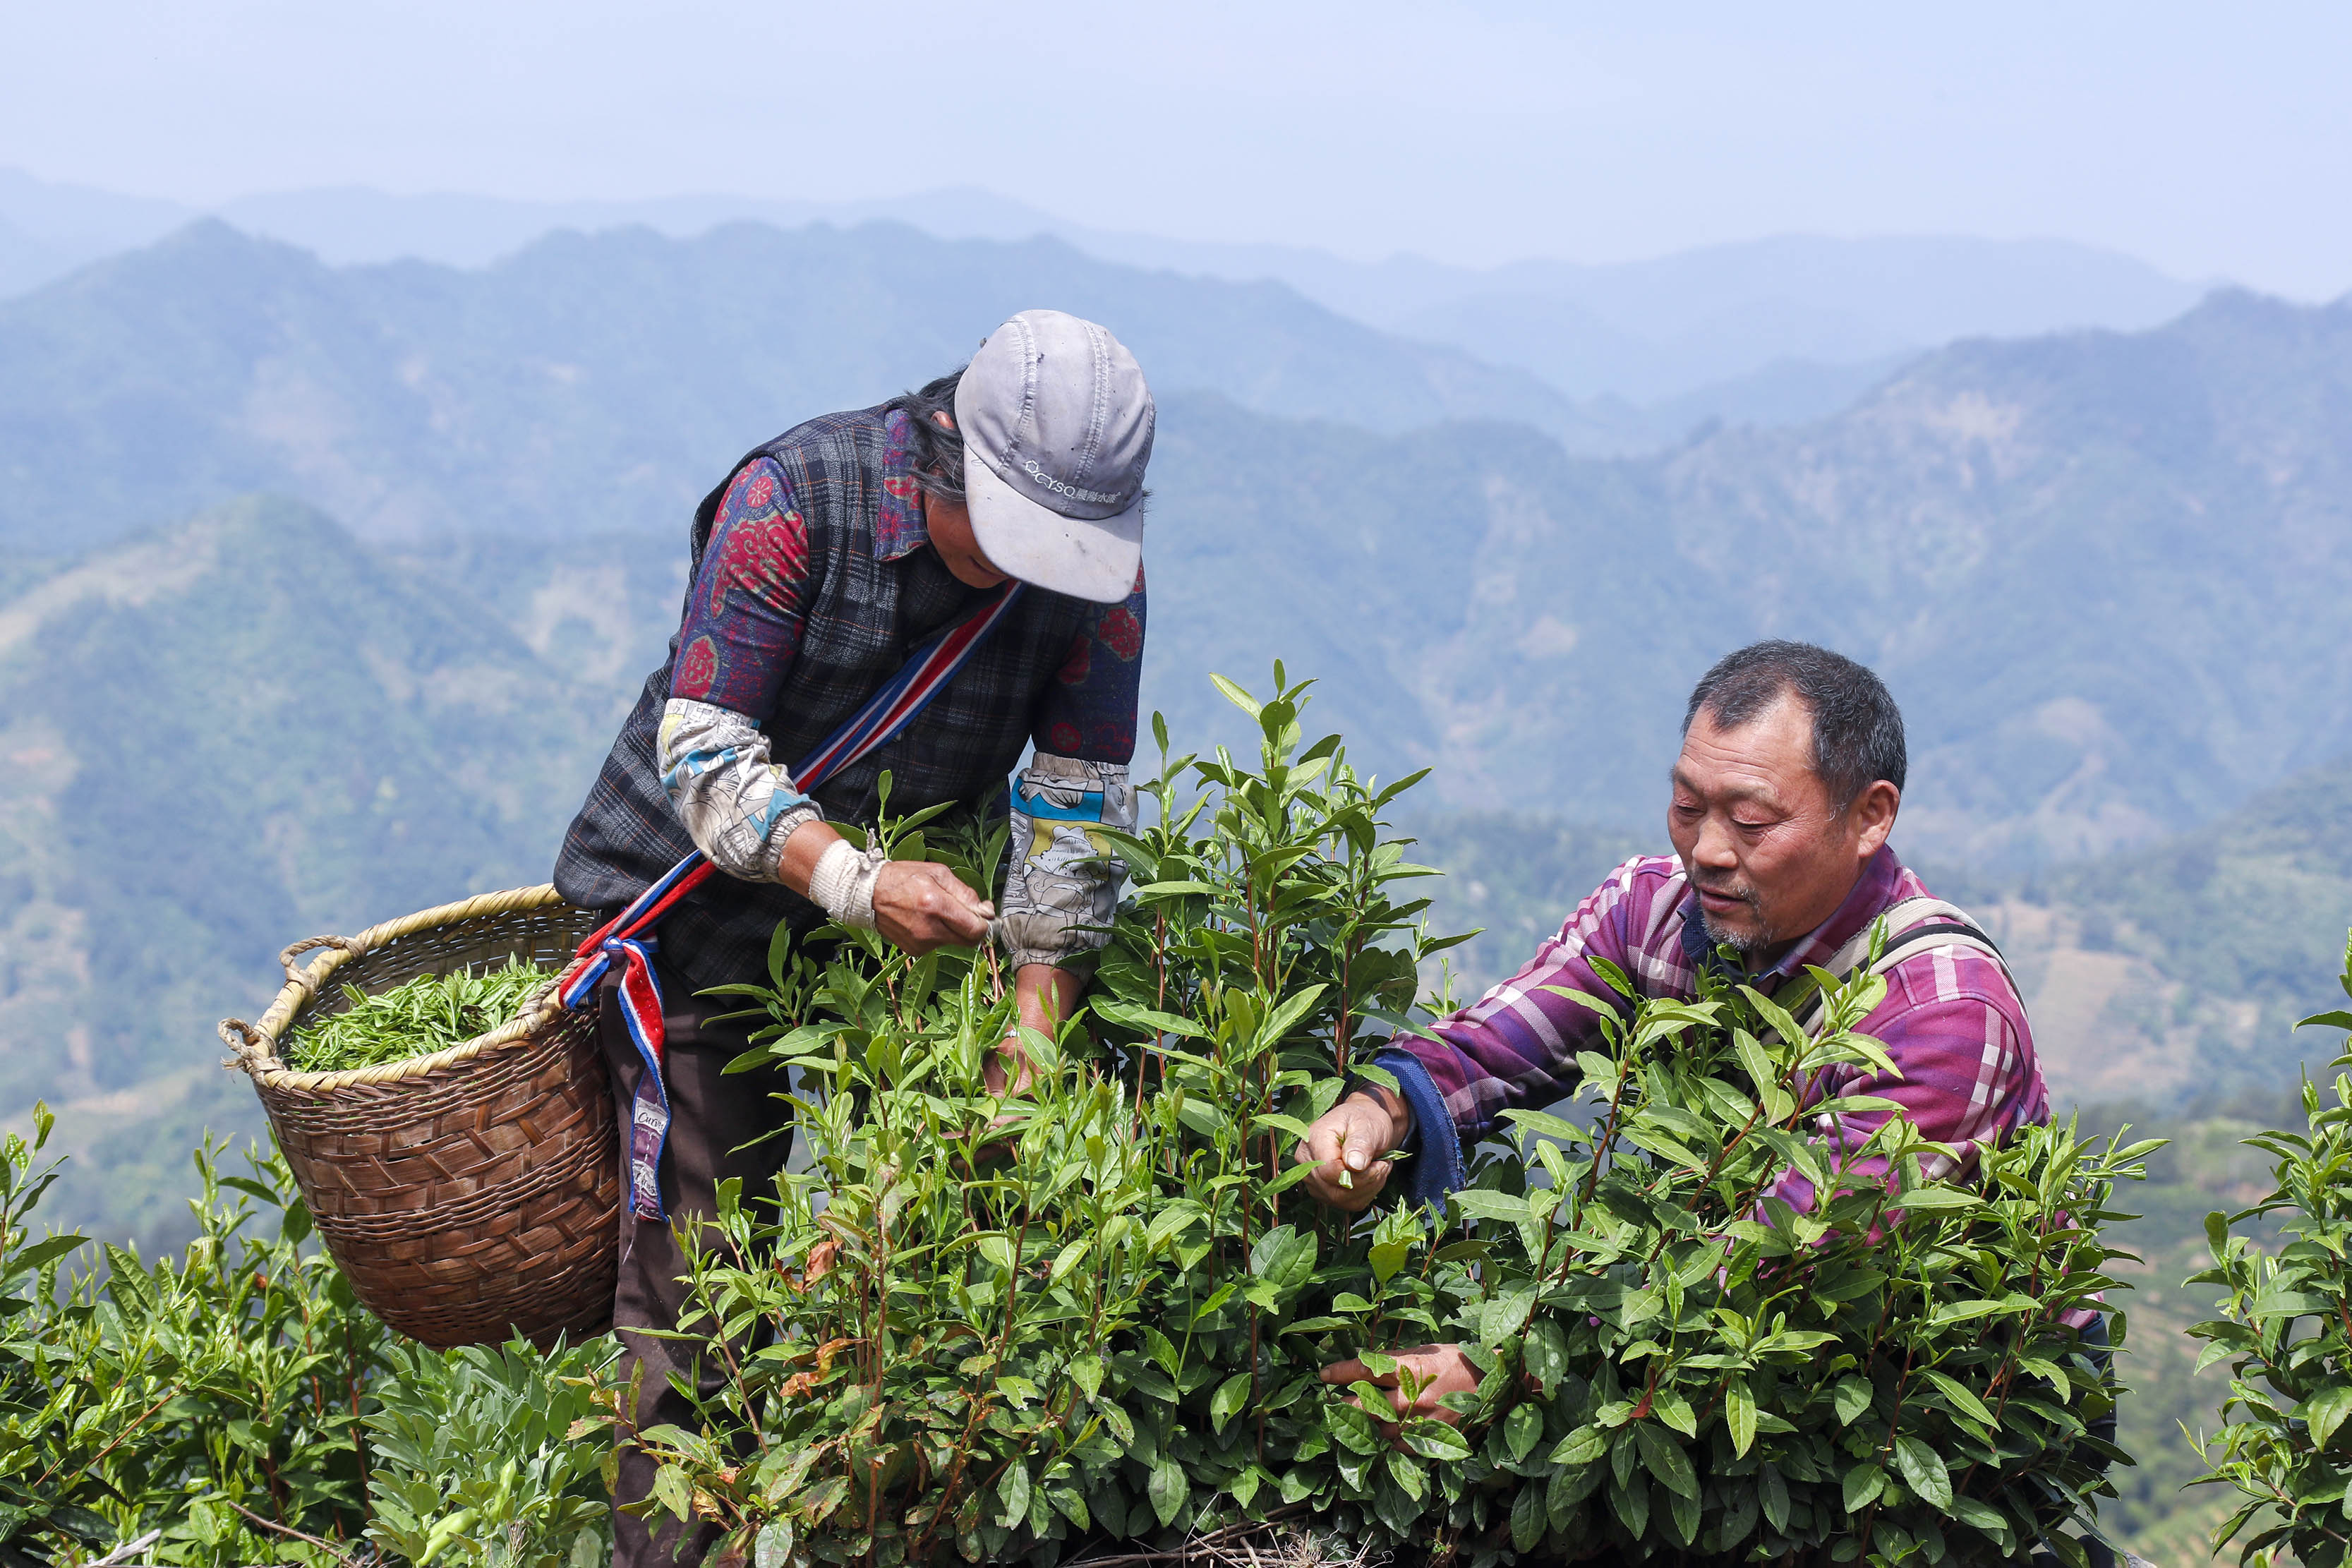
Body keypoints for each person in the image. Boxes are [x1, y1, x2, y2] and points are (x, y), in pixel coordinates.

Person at [552, 310, 1154, 1567]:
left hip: (912, 941)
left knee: (954, 1258)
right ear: (950, 458)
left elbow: (1074, 811)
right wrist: (854, 881)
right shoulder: (793, 503)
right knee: (706, 1289)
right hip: (693, 925)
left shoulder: (1094, 584)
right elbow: (704, 753)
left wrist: (1028, 1040)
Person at [1293, 640, 2058, 1428]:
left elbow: (1780, 1259)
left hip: (1939, 1419)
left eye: (1752, 819)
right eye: (1689, 807)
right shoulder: (1652, 910)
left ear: (1870, 814)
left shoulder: (1943, 1014)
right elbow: (1492, 1048)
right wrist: (1379, 1108)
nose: (1709, 851)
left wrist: (1505, 1368)